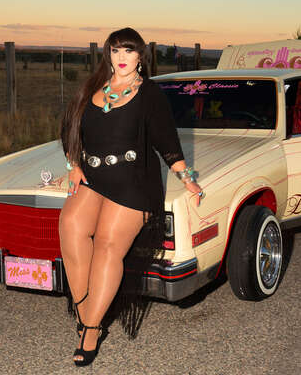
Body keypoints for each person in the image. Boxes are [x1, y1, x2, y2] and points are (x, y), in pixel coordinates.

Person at [59, 27, 203, 366]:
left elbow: (167, 142)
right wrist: (73, 163)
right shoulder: (93, 88)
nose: (122, 58)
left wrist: (188, 179)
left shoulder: (150, 94)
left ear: (141, 56)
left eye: (129, 51)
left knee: (109, 245)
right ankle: (86, 309)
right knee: (70, 226)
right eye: (116, 51)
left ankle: (91, 328)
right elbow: (69, 127)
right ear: (108, 54)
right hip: (93, 176)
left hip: (135, 181)